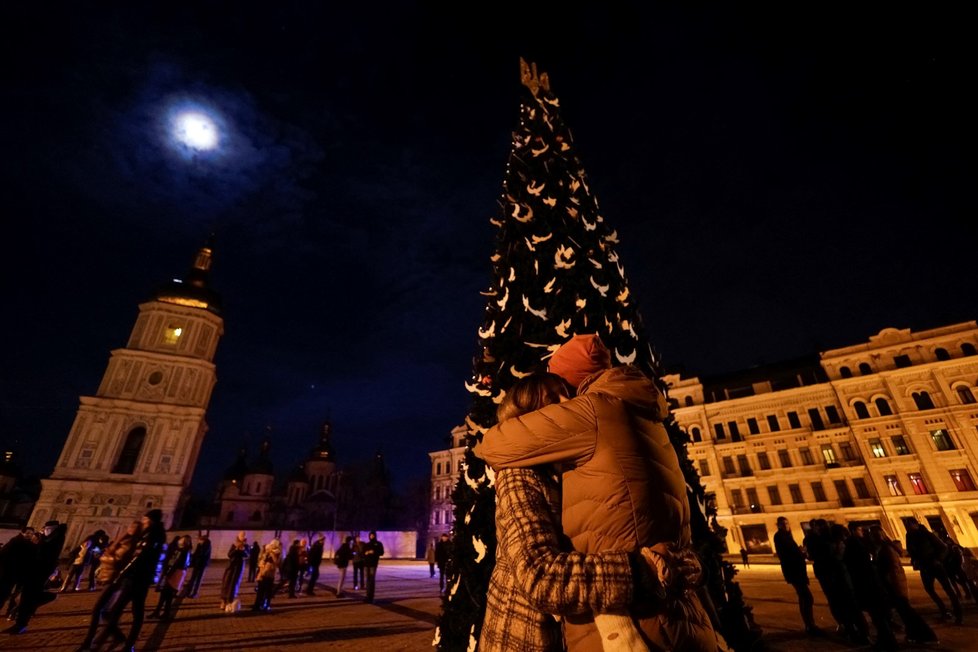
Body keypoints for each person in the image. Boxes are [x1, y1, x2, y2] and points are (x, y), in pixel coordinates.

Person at [479, 335, 727, 651]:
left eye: (565, 395)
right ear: (528, 418)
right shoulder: (521, 474)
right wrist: (647, 570)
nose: (564, 407)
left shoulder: (581, 460)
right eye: (550, 403)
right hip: (531, 638)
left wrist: (682, 564)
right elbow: (540, 577)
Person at [89, 509, 167, 651]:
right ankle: (125, 643)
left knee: (118, 612)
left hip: (134, 578)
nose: (143, 522)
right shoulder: (154, 535)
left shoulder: (152, 536)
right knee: (135, 612)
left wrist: (121, 575)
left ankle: (110, 642)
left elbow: (137, 557)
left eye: (145, 520)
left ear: (151, 521)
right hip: (139, 578)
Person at [77, 520, 142, 652]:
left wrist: (107, 556)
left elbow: (118, 560)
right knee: (103, 612)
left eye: (134, 527)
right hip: (111, 579)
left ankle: (93, 643)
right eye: (130, 525)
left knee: (102, 612)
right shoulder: (123, 540)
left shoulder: (133, 543)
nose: (130, 528)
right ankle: (113, 640)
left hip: (119, 580)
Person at [867, 526, 938, 645]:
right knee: (905, 613)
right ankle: (915, 634)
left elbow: (892, 568)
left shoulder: (886, 549)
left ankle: (927, 635)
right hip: (895, 584)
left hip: (894, 585)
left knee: (907, 612)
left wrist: (889, 582)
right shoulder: (885, 547)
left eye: (873, 535)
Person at [6, 519, 66, 635]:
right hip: (34, 572)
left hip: (39, 573)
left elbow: (44, 553)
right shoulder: (50, 538)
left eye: (47, 529)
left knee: (28, 599)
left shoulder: (55, 539)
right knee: (26, 599)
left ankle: (21, 624)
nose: (45, 531)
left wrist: (39, 541)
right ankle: (20, 624)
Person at [905, 520, 962, 623]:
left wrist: (938, 560)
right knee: (929, 589)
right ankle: (944, 611)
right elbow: (911, 551)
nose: (908, 527)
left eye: (910, 525)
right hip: (924, 566)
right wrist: (914, 560)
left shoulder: (927, 534)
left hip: (935, 565)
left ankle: (958, 614)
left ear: (916, 524)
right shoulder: (909, 537)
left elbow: (943, 547)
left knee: (948, 589)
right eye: (907, 525)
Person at [773, 516, 819, 635]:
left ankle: (810, 625)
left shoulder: (787, 536)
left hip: (797, 570)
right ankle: (810, 625)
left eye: (787, 523)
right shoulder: (779, 537)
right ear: (778, 525)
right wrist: (800, 552)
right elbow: (786, 553)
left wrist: (799, 552)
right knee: (807, 597)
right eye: (783, 524)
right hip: (794, 571)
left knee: (804, 597)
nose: (786, 526)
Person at [149, 535, 191, 621]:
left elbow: (177, 564)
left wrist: (168, 573)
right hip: (171, 574)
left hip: (174, 575)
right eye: (180, 540)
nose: (180, 542)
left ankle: (165, 614)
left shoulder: (183, 551)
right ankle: (158, 612)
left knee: (168, 595)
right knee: (164, 594)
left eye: (182, 541)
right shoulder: (179, 550)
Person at [220, 531, 249, 613]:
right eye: (242, 535)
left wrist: (243, 550)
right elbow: (229, 554)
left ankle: (230, 600)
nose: (243, 537)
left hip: (239, 567)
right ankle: (223, 600)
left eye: (244, 536)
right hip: (231, 566)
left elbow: (247, 555)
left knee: (234, 583)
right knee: (226, 582)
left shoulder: (246, 546)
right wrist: (236, 549)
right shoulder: (234, 545)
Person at [252, 539, 282, 612]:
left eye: (273, 545)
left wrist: (271, 553)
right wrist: (264, 554)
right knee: (260, 591)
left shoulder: (278, 553)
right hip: (263, 573)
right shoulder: (266, 552)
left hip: (270, 575)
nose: (271, 546)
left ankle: (266, 605)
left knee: (268, 592)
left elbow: (276, 563)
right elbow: (261, 561)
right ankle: (257, 606)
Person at [180, 533, 211, 598]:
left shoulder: (207, 545)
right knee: (193, 578)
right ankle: (189, 591)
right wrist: (192, 560)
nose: (198, 541)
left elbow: (203, 554)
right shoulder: (200, 545)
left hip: (202, 564)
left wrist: (200, 547)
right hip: (197, 563)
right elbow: (196, 553)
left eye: (200, 540)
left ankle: (195, 593)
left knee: (198, 579)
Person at [361, 531, 384, 603]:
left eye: (373, 535)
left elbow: (381, 552)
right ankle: (367, 595)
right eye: (370, 535)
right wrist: (366, 553)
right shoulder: (367, 544)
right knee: (367, 580)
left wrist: (374, 552)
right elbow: (363, 553)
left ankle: (371, 596)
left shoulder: (378, 544)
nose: (371, 536)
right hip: (366, 564)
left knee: (372, 580)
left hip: (373, 564)